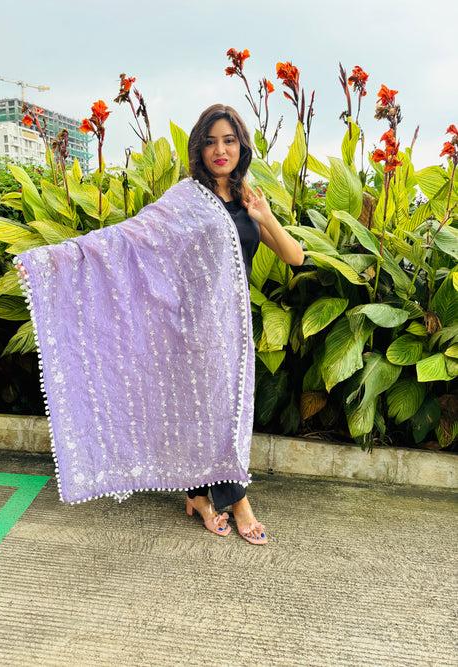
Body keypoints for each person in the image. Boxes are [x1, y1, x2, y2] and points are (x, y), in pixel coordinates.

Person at [185, 103, 305, 544]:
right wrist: (58, 262)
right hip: (195, 326)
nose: (220, 150)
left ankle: (199, 496)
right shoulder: (188, 198)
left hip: (234, 327)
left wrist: (265, 216)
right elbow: (136, 240)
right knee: (211, 413)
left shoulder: (248, 196)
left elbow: (295, 257)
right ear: (199, 148)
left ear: (241, 147)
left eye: (229, 140)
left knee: (228, 413)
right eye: (211, 141)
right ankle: (238, 503)